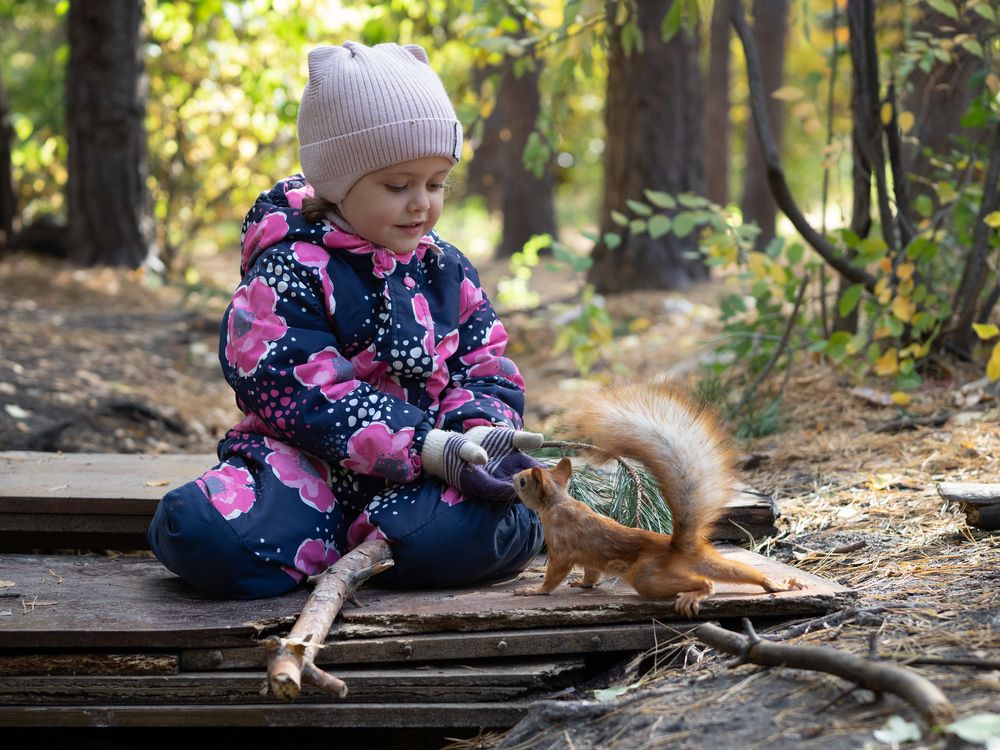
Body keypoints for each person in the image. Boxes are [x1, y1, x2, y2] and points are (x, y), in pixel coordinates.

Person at [147, 41, 544, 599]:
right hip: (306, 469)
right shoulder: (288, 268)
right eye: (397, 185)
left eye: (436, 184)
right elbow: (292, 387)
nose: (421, 205)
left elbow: (484, 363)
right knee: (205, 534)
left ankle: (386, 544)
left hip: (432, 476)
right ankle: (347, 542)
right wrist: (419, 442)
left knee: (461, 531)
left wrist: (473, 432)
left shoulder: (445, 268)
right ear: (337, 182)